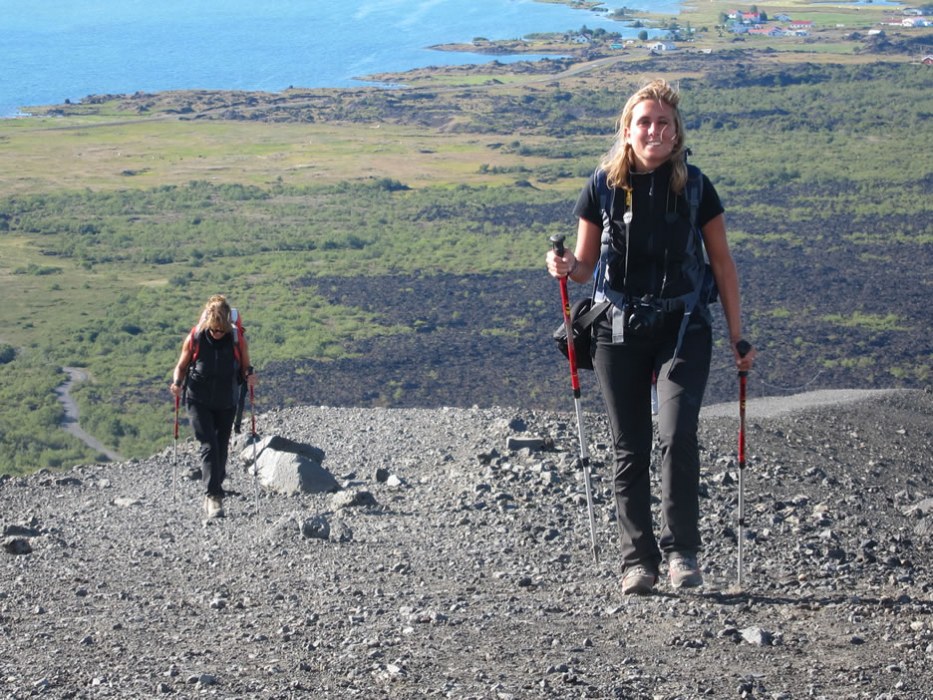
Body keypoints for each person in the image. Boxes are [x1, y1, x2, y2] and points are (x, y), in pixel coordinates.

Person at [546, 79, 755, 595]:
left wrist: (737, 337)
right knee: (629, 445)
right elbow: (585, 265)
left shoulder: (697, 187)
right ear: (627, 130)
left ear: (676, 131)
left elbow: (722, 265)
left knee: (677, 433)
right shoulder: (602, 186)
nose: (655, 130)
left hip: (683, 327)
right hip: (615, 329)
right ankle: (637, 563)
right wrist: (565, 265)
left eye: (664, 123)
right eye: (645, 122)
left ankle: (683, 552)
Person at [170, 294, 257, 519]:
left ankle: (214, 487)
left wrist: (250, 376)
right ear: (208, 323)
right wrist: (177, 383)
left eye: (222, 330)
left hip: (226, 400)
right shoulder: (196, 338)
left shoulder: (237, 338)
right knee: (208, 444)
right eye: (214, 329)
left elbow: (246, 366)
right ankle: (214, 496)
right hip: (198, 399)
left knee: (221, 447)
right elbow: (181, 366)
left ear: (228, 324)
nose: (217, 333)